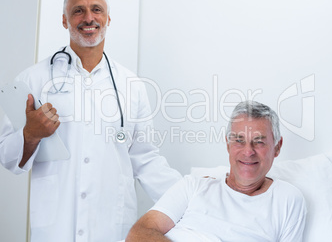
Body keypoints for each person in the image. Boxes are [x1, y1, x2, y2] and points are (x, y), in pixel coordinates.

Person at [0, 0, 181, 242]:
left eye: (96, 10)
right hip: (56, 226)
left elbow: (145, 159)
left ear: (108, 18)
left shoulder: (130, 84)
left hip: (111, 226)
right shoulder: (33, 79)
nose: (89, 18)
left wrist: (189, 196)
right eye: (78, 11)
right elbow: (5, 154)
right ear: (64, 20)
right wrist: (30, 134)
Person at [125, 101, 307, 242]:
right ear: (228, 144)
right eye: (239, 140)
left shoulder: (287, 199)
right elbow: (139, 233)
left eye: (259, 141)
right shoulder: (194, 185)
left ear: (277, 147)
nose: (248, 151)